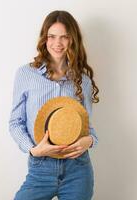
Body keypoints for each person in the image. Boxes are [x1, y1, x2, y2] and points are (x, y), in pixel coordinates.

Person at [9, 10, 100, 200]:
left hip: (78, 169)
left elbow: (88, 128)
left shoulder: (82, 81)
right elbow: (15, 122)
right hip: (41, 168)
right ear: (44, 38)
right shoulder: (26, 74)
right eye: (52, 36)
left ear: (72, 40)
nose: (57, 43)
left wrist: (89, 141)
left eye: (64, 37)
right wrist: (33, 149)